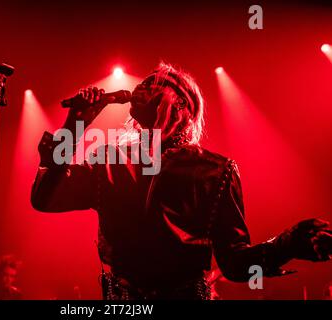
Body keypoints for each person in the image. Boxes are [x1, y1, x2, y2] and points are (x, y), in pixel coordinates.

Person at [31, 62, 332, 299]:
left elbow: (235, 264)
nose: (142, 86)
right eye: (144, 81)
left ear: (182, 106)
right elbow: (45, 198)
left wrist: (288, 243)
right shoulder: (109, 160)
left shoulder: (215, 171)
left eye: (156, 84)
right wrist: (76, 123)